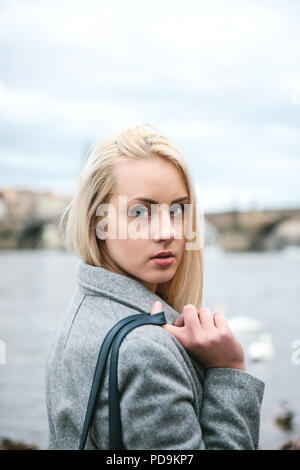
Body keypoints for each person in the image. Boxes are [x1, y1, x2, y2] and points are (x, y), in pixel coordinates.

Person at [45, 124, 265, 450]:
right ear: (99, 223)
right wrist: (229, 369)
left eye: (176, 210)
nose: (167, 231)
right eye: (140, 212)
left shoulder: (81, 312)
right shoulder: (145, 350)